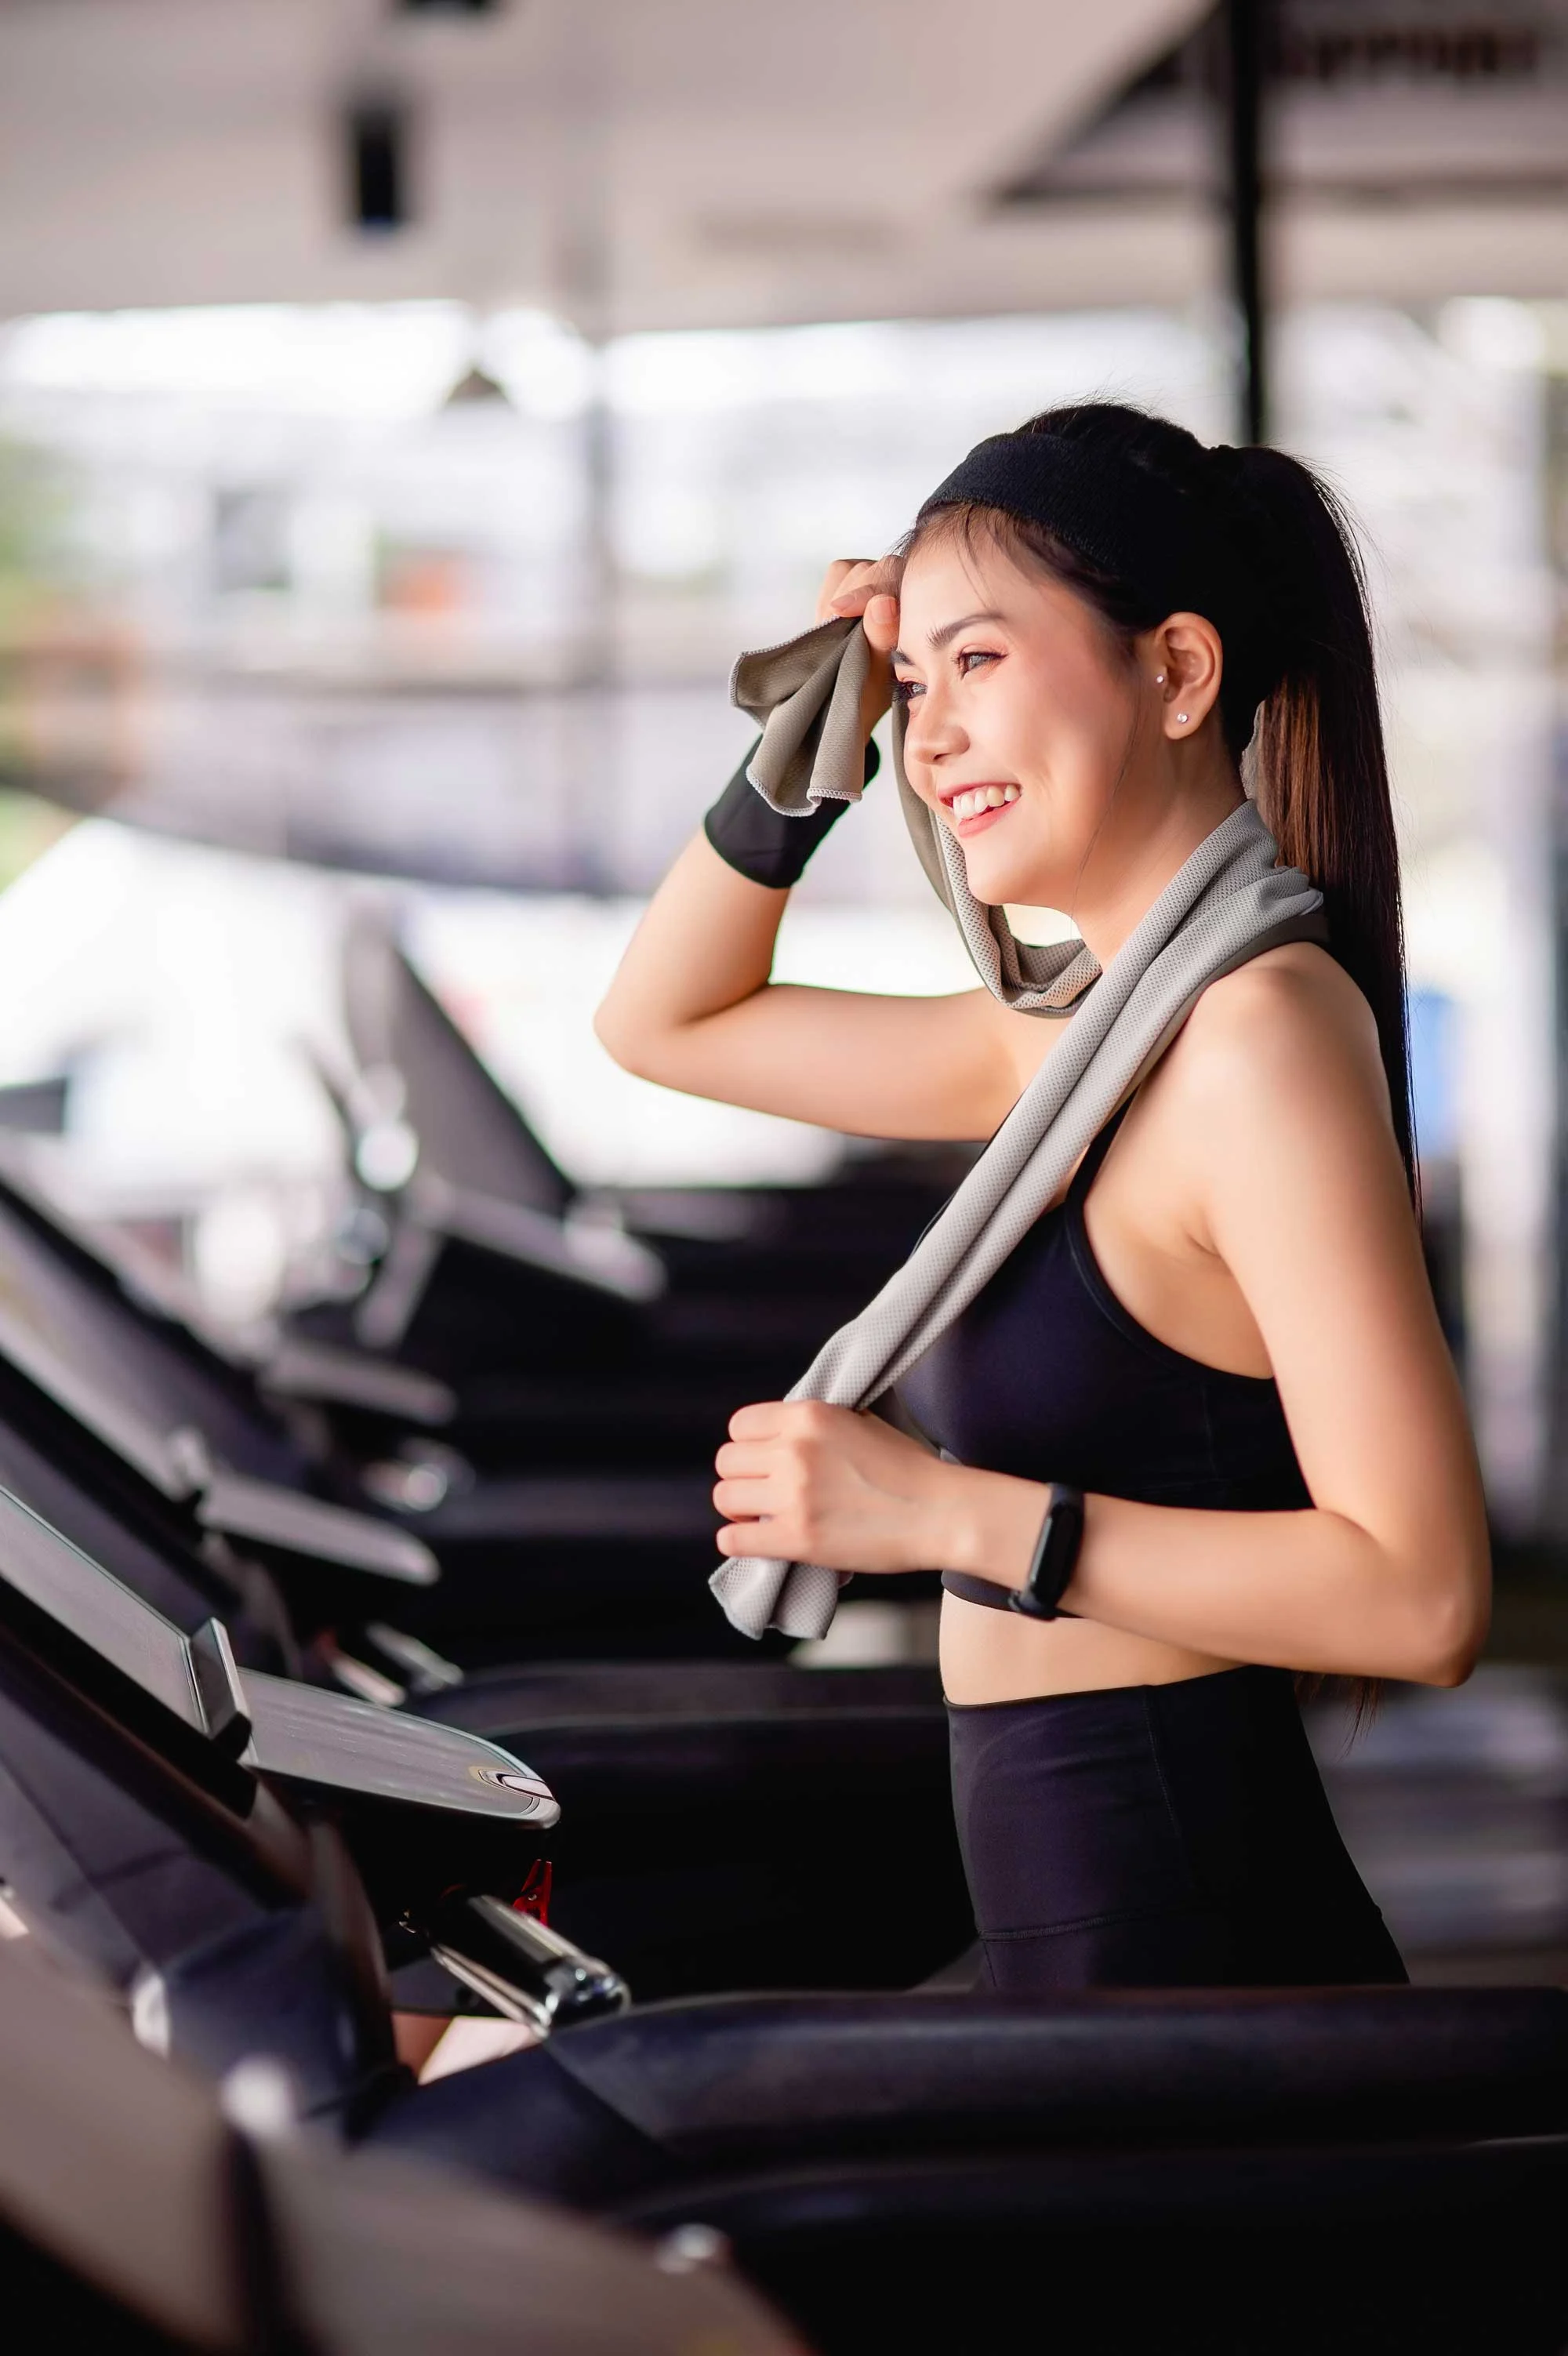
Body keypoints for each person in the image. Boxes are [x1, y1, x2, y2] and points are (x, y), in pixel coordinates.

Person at [595, 402, 1490, 1992]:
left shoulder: (1257, 1038)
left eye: (981, 662)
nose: (927, 738)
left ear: (1176, 671)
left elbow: (1419, 1592)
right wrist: (814, 723)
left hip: (1183, 1947)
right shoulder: (1071, 1044)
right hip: (1077, 1922)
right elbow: (665, 1019)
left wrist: (936, 1512)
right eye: (914, 677)